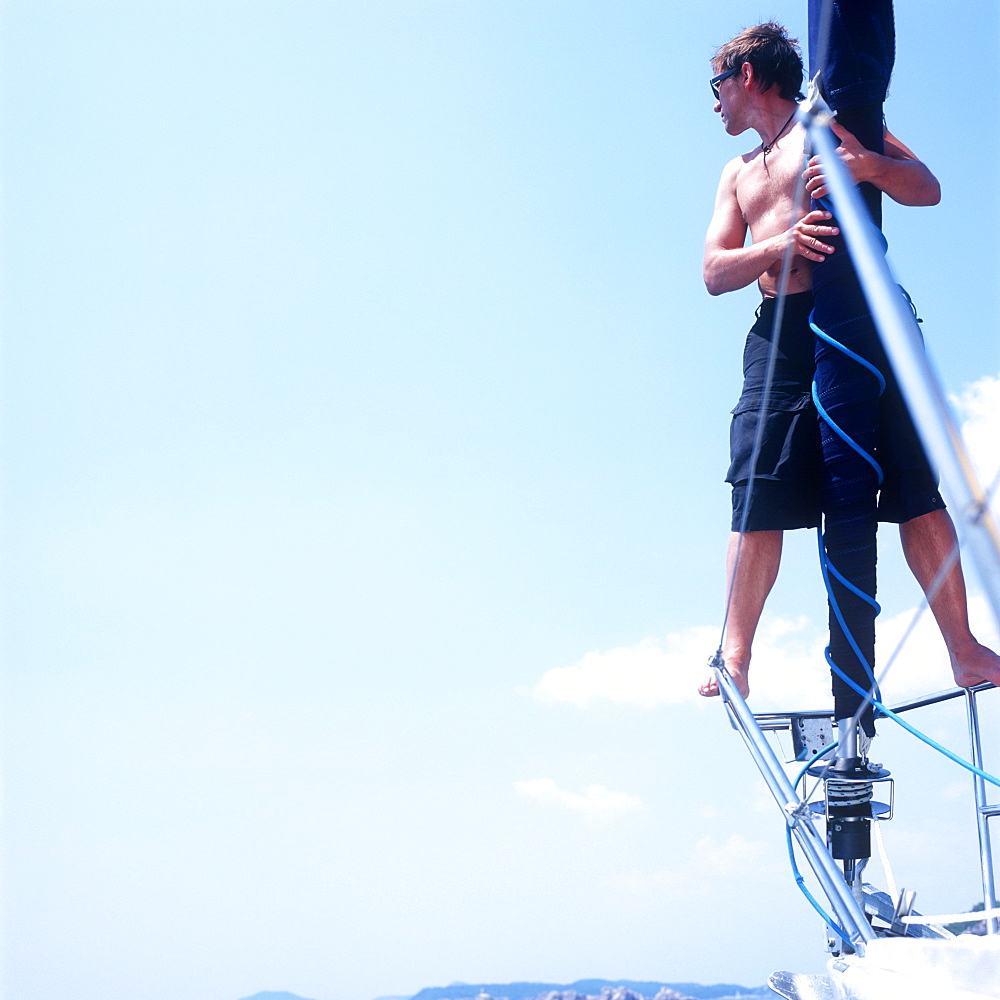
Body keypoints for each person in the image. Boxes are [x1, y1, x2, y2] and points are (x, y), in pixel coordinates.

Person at [696, 22, 1000, 700]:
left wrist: (871, 169)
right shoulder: (737, 173)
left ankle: (964, 648)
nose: (713, 103)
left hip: (861, 322)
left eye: (715, 86)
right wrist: (777, 247)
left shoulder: (830, 124)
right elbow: (715, 272)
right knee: (757, 491)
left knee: (912, 482)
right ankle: (736, 657)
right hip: (778, 334)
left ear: (748, 75)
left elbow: (926, 187)